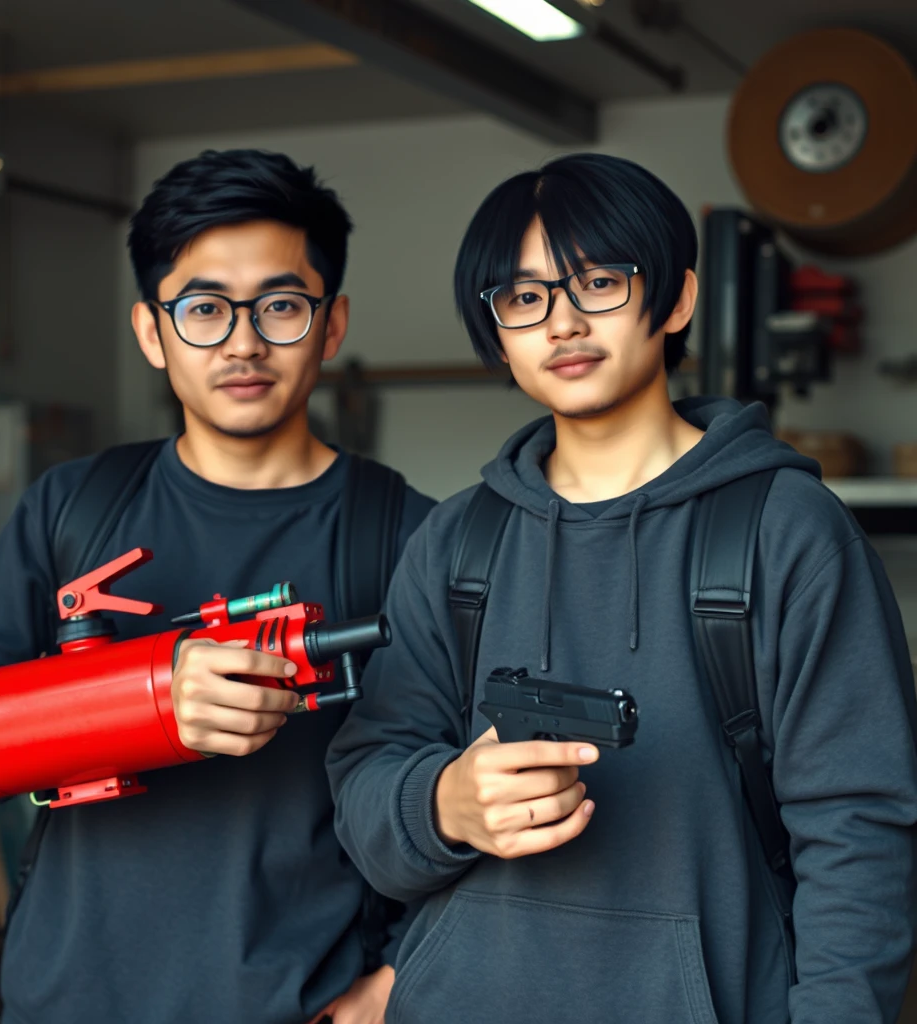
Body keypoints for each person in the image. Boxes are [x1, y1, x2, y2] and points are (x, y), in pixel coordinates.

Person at [327, 153, 917, 1024]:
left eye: (598, 281)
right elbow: (368, 780)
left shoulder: (785, 530)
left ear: (676, 300)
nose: (562, 322)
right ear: (498, 332)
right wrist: (444, 801)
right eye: (525, 298)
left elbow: (860, 834)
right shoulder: (457, 541)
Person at [0, 148, 434, 1024]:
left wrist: (399, 980)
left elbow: (472, 796)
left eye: (281, 306)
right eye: (203, 309)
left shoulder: (413, 536)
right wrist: (139, 701)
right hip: (65, 1003)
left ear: (331, 325)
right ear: (152, 332)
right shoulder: (72, 508)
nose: (242, 340)